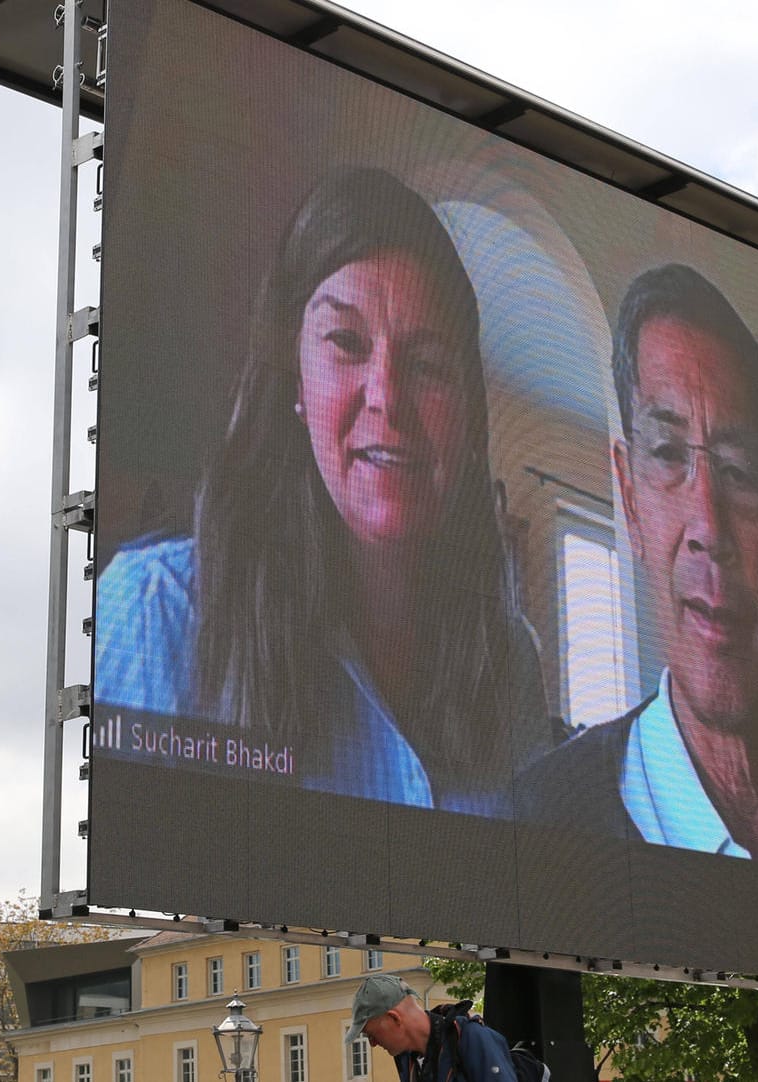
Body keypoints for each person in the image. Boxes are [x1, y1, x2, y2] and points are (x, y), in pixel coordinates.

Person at [96, 167, 551, 812]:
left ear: (468, 415)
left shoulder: (510, 665)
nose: (388, 400)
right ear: (295, 383)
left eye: (427, 364)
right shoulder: (155, 612)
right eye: (345, 342)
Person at [517, 263, 758, 878]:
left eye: (738, 469)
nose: (708, 526)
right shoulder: (536, 824)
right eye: (669, 455)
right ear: (629, 500)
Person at [345, 974, 522, 1082]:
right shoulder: (407, 1060)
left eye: (371, 1034)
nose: (373, 1044)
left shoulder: (472, 1038)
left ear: (394, 1018)